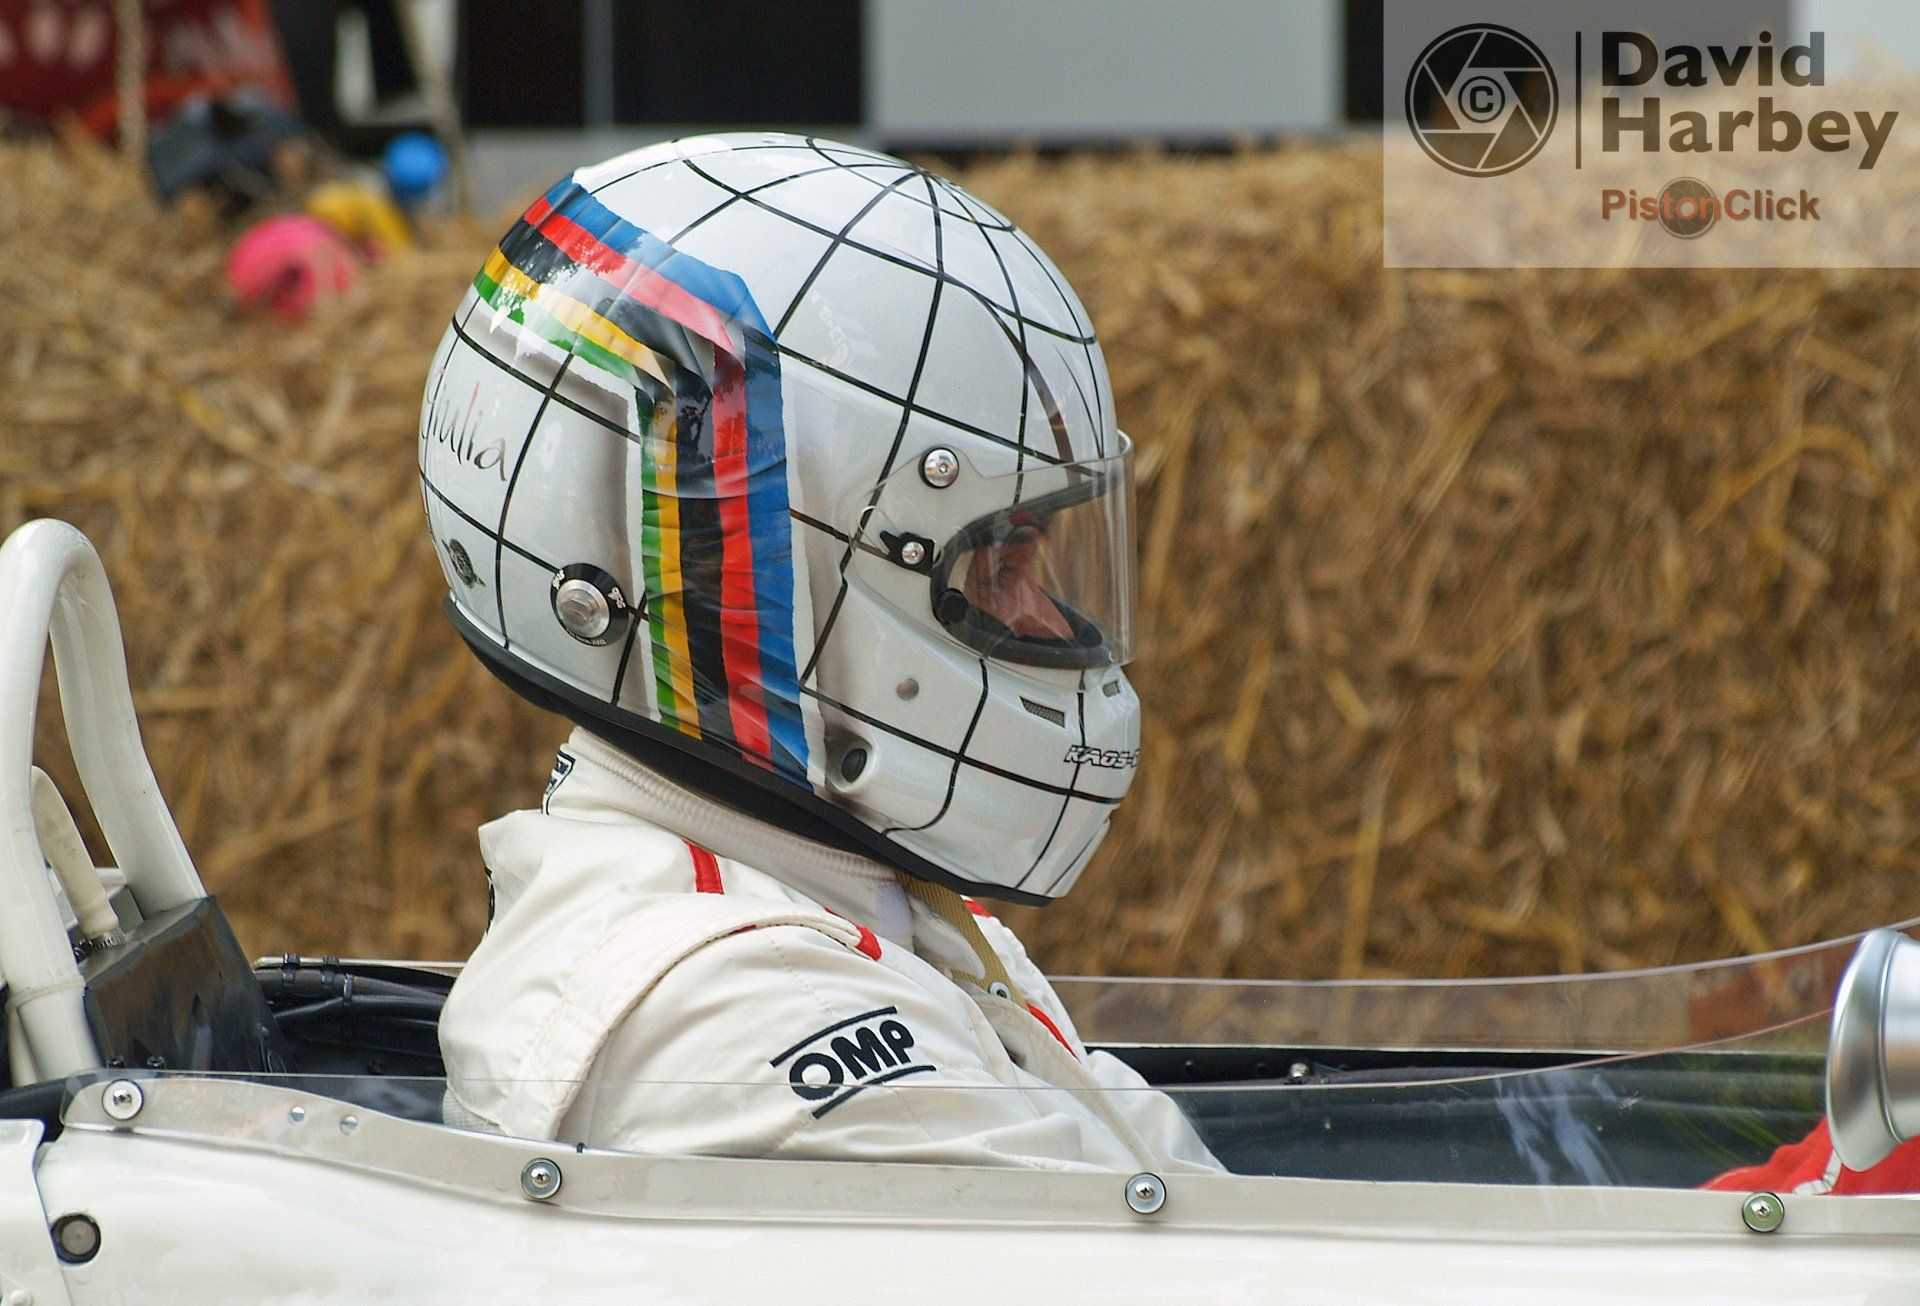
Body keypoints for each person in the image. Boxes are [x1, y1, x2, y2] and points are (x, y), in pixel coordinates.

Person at [420, 133, 1220, 1174]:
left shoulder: (843, 891)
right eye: (997, 566)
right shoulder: (727, 1008)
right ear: (785, 558)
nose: (1049, 619)